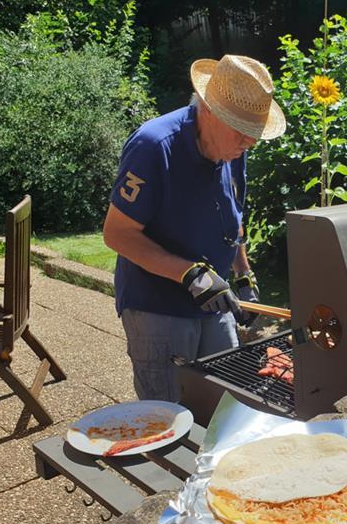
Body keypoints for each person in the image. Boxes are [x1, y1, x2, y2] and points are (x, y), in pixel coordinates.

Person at [103, 54, 286, 403]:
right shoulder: (154, 146)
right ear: (210, 111)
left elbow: (233, 215)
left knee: (224, 402)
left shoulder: (233, 148)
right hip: (157, 308)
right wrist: (192, 275)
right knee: (168, 413)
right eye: (243, 131)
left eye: (255, 133)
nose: (251, 143)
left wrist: (244, 274)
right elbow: (117, 234)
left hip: (212, 301)